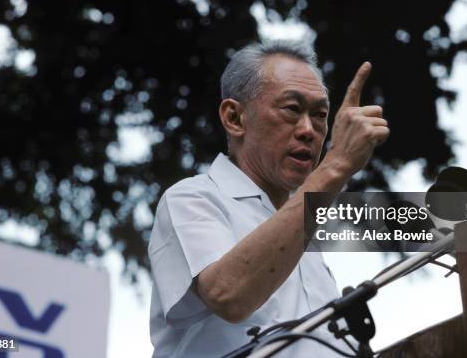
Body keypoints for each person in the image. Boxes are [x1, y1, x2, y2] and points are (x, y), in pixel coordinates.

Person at [148, 39, 390, 357]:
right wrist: (336, 165)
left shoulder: (306, 230)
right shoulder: (193, 198)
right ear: (234, 118)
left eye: (320, 115)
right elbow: (228, 295)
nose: (308, 130)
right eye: (292, 109)